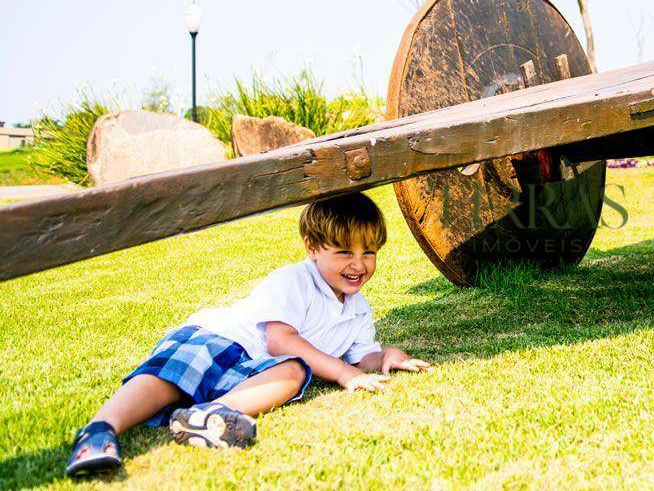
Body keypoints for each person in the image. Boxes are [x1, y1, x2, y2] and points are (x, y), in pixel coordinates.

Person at [65, 193, 430, 478]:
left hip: (255, 370)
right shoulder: (295, 280)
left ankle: (208, 416)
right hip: (223, 340)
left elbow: (360, 357)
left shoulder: (358, 308)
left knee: (295, 372)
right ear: (312, 247)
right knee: (172, 379)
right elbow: (280, 339)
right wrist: (342, 373)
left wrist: (386, 357)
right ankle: (100, 431)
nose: (359, 264)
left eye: (369, 252)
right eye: (344, 252)